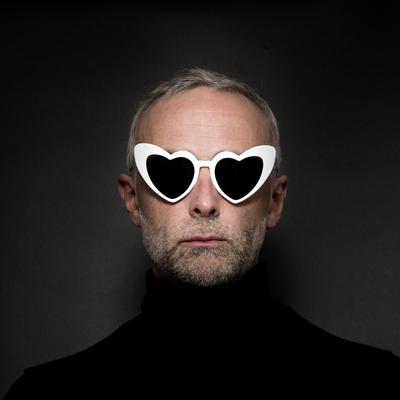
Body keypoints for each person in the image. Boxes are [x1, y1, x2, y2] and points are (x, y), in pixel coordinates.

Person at [5, 68, 399, 398]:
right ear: (132, 200)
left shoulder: (378, 387)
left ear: (275, 201)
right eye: (170, 174)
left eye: (238, 174)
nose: (205, 203)